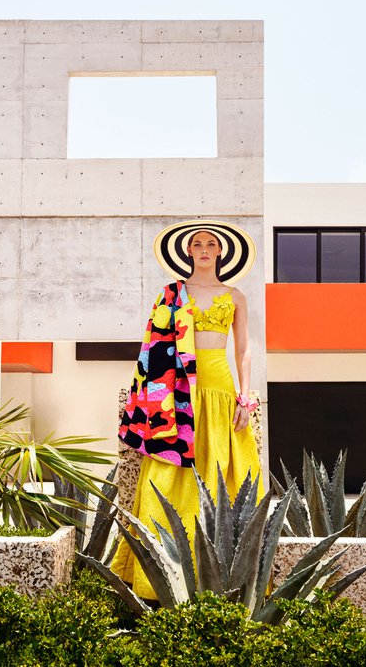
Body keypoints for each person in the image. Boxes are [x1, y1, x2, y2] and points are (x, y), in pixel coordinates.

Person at [111, 220, 263, 599]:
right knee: (165, 476)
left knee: (227, 472)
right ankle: (157, 574)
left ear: (221, 252)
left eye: (212, 243)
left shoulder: (236, 296)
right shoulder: (171, 294)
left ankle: (227, 576)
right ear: (189, 252)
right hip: (178, 393)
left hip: (221, 388)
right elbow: (153, 349)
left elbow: (243, 349)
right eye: (198, 244)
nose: (205, 249)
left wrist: (245, 395)